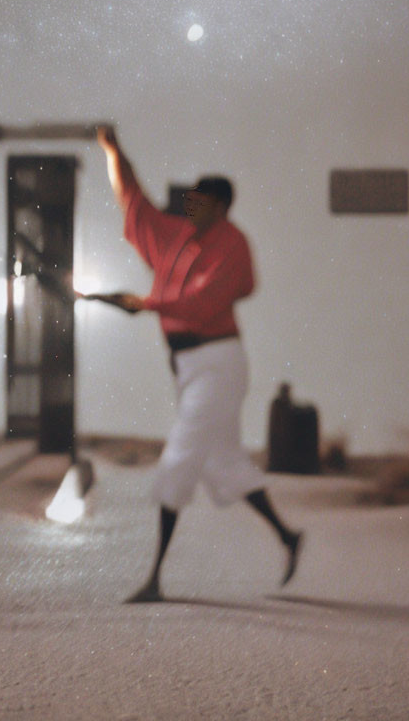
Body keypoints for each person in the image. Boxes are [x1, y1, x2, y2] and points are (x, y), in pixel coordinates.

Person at [94, 126, 303, 603]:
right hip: (189, 369)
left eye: (200, 201)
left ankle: (154, 579)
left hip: (218, 364)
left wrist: (143, 305)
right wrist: (113, 150)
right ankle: (288, 537)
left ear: (221, 207)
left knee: (179, 460)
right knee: (223, 462)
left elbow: (204, 301)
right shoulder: (177, 237)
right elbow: (136, 202)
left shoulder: (233, 244)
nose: (190, 207)